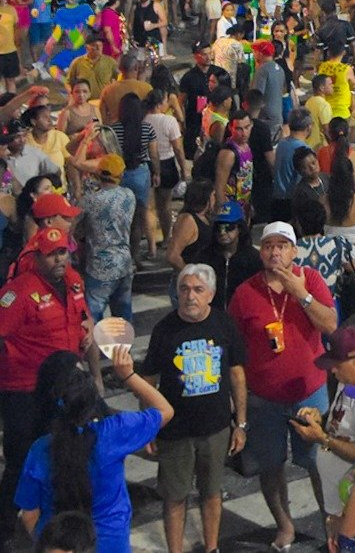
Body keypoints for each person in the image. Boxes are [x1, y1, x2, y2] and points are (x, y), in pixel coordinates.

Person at [226, 221, 337, 551]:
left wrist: (300, 294)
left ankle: (329, 522)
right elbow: (232, 351)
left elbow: (330, 324)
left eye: (281, 245)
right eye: (268, 246)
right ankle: (285, 525)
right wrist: (238, 404)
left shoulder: (311, 280)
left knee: (319, 463)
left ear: (293, 251)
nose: (274, 251)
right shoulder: (245, 293)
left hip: (310, 392)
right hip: (264, 398)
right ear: (261, 252)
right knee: (271, 465)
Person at [16, 349, 174, 553]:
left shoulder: (39, 450)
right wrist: (127, 375)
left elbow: (29, 514)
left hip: (57, 543)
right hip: (111, 540)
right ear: (92, 399)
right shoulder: (114, 433)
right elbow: (165, 410)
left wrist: (48, 545)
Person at [139, 264, 248, 553]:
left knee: (212, 493)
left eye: (198, 290)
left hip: (215, 428)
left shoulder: (224, 324)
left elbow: (237, 374)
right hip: (174, 432)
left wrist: (241, 423)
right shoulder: (164, 329)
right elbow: (148, 381)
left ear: (210, 294)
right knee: (175, 497)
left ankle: (212, 547)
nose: (190, 296)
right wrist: (148, 426)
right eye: (184, 289)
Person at [0, 226, 94, 547]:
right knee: (20, 460)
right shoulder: (18, 292)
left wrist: (89, 330)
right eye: (52, 253)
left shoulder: (75, 282)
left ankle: (55, 523)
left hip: (64, 391)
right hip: (24, 391)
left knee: (62, 455)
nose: (59, 258)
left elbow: (83, 318)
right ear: (37, 256)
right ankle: (5, 529)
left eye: (63, 252)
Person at [76, 155, 136, 322]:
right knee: (123, 315)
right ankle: (124, 348)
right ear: (121, 174)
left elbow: (73, 224)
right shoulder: (128, 195)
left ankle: (95, 348)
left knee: (93, 316)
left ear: (99, 174)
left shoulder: (90, 200)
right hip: (124, 262)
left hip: (99, 265)